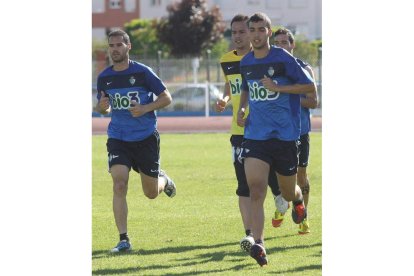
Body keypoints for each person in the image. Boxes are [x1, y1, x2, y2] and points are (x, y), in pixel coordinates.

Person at [237, 13, 317, 266]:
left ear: (269, 32)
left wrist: (279, 88)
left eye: (262, 29)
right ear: (249, 33)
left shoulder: (283, 58)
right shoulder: (247, 61)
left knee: (287, 190)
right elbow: (248, 88)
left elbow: (310, 89)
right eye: (253, 30)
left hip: (285, 136)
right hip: (256, 136)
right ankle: (259, 243)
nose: (257, 34)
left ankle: (298, 199)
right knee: (257, 189)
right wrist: (242, 108)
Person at [96, 29, 176, 253]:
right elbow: (103, 107)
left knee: (150, 193)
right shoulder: (104, 77)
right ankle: (123, 239)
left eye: (119, 45)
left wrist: (146, 108)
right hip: (118, 138)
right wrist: (102, 108)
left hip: (145, 137)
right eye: (111, 46)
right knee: (119, 183)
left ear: (128, 47)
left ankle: (164, 180)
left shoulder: (143, 72)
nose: (115, 49)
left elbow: (166, 97)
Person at [216, 14, 289, 254]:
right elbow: (231, 86)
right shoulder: (226, 60)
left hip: (265, 129)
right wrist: (225, 99)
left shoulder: (261, 59)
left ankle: (284, 193)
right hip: (239, 131)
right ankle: (250, 235)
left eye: (241, 32)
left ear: (253, 33)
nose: (237, 37)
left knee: (269, 175)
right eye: (233, 32)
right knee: (244, 184)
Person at [273, 27, 319, 234]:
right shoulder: (269, 69)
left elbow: (313, 101)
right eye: (278, 43)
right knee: (278, 175)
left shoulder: (304, 69)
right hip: (275, 131)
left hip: (299, 130)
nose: (281, 46)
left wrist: (288, 94)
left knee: (301, 175)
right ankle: (282, 206)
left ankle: (303, 215)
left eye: (285, 42)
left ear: (292, 45)